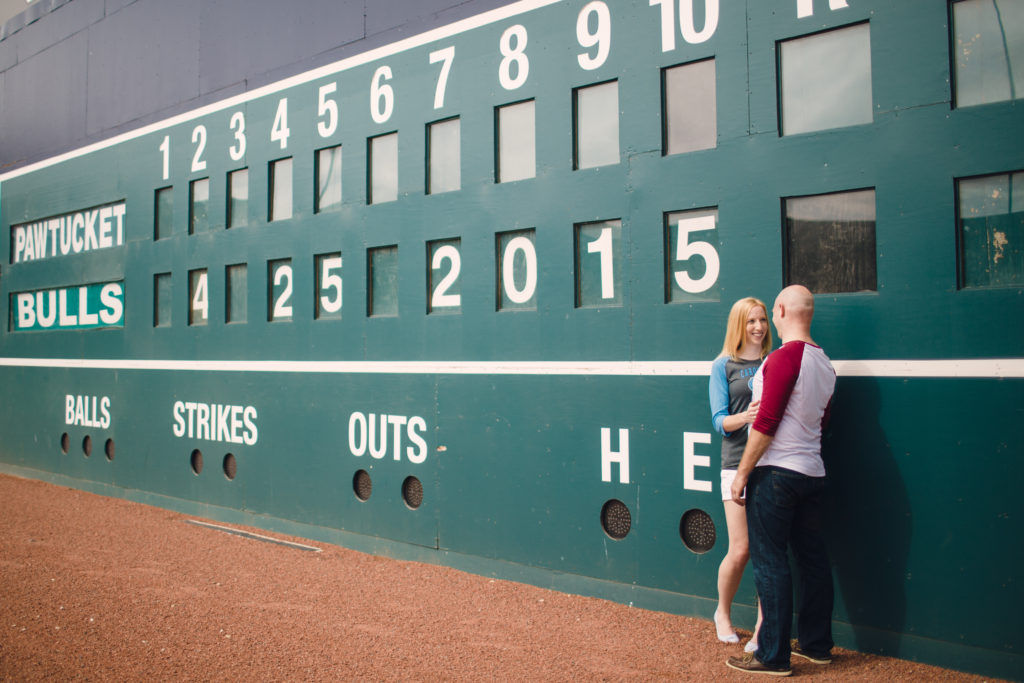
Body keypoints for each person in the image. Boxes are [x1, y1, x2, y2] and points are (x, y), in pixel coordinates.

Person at [726, 285, 836, 677]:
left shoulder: (784, 358)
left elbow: (766, 421)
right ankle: (815, 645)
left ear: (781, 311)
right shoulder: (824, 362)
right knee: (812, 561)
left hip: (776, 474)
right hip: (811, 471)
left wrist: (742, 473)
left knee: (771, 563)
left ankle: (771, 655)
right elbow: (819, 424)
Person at [708, 297, 770, 649]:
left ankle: (763, 629)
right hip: (735, 465)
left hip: (773, 463)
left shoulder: (771, 361)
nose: (759, 327)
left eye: (762, 320)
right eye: (751, 322)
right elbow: (719, 421)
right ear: (738, 325)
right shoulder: (723, 366)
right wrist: (746, 417)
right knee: (742, 548)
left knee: (768, 551)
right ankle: (722, 613)